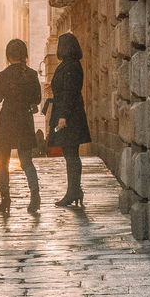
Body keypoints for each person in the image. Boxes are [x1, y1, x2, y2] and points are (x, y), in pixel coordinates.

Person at [0, 38, 42, 215]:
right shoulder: (32, 74)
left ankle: (5, 198)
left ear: (8, 55)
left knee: (2, 162)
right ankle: (35, 195)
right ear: (24, 55)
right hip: (24, 121)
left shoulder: (3, 75)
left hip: (6, 121)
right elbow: (37, 99)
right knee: (27, 161)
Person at [48, 31, 91, 207]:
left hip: (70, 117)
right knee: (70, 154)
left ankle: (73, 192)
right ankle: (74, 191)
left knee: (71, 155)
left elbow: (69, 93)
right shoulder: (69, 65)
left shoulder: (71, 67)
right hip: (70, 114)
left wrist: (63, 116)